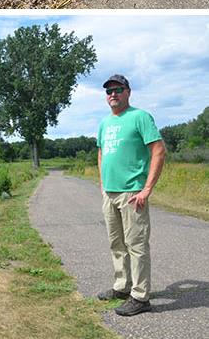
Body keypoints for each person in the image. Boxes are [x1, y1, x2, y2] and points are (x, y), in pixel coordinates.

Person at [96, 74, 166, 317]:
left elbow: (158, 151)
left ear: (128, 92)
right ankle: (122, 286)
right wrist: (103, 185)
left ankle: (140, 296)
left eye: (117, 89)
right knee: (116, 243)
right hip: (111, 193)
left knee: (136, 245)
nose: (112, 94)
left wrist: (146, 189)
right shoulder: (105, 123)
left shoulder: (140, 117)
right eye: (108, 91)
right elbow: (102, 153)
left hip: (132, 192)